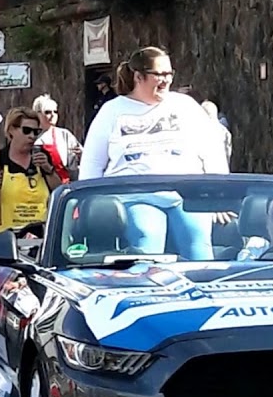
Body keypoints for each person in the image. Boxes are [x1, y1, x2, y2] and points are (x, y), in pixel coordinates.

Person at [79, 46, 229, 258]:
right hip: (136, 195)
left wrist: (219, 196)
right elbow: (92, 163)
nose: (165, 80)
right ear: (139, 77)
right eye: (158, 74)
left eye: (169, 74)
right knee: (147, 236)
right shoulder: (112, 110)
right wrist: (89, 204)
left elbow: (211, 149)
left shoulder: (185, 105)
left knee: (198, 246)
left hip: (186, 195)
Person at [0, 107, 62, 235]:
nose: (32, 136)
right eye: (27, 131)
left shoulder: (42, 156)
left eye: (36, 132)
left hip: (40, 235)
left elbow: (58, 192)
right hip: (4, 237)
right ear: (11, 130)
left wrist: (48, 169)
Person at [32, 94, 82, 183]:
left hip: (67, 184)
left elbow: (79, 160)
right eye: (47, 112)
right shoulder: (30, 135)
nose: (52, 115)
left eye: (55, 112)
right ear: (37, 113)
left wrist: (81, 155)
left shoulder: (64, 134)